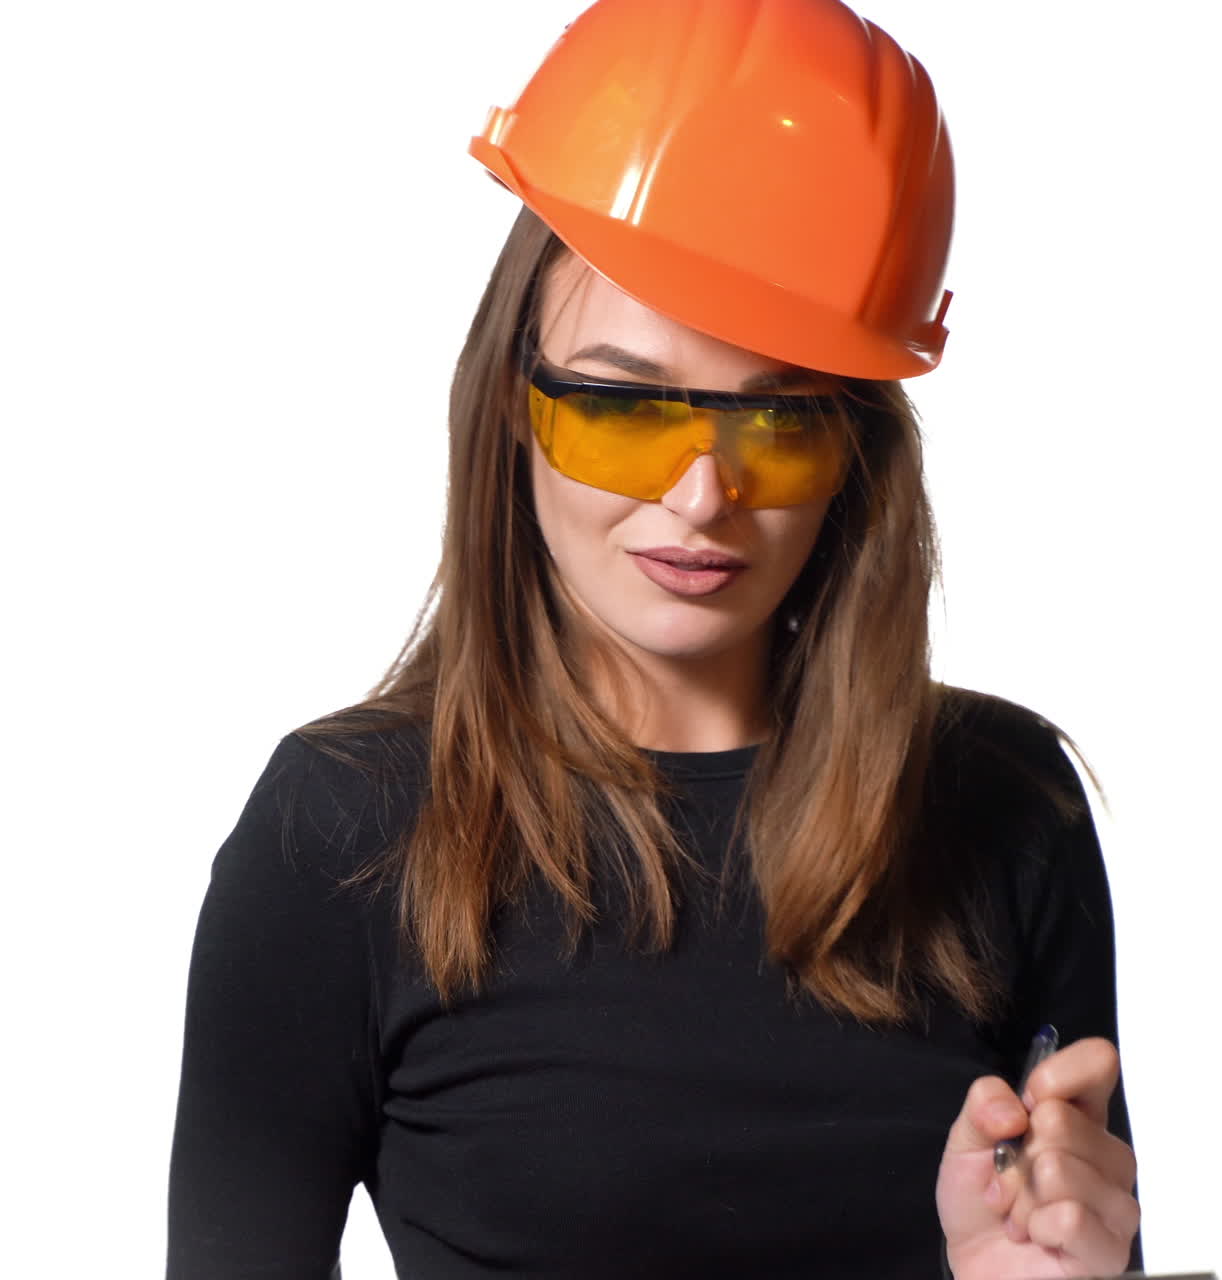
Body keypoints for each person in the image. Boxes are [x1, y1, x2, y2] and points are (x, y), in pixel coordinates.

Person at [166, 1, 1142, 1277]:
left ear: (857, 455)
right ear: (509, 408)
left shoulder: (1006, 805)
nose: (700, 497)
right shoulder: (341, 830)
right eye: (623, 409)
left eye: (778, 421)